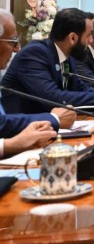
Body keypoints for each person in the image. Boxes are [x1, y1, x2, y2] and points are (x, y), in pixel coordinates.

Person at [1, 8, 94, 115]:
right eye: (88, 36)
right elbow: (53, 97)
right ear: (72, 38)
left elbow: (80, 88)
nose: (91, 41)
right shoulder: (34, 53)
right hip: (23, 129)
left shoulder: (67, 56)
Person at [0, 8, 68, 152]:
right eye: (13, 41)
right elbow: (2, 125)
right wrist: (53, 118)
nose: (17, 49)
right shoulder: (35, 53)